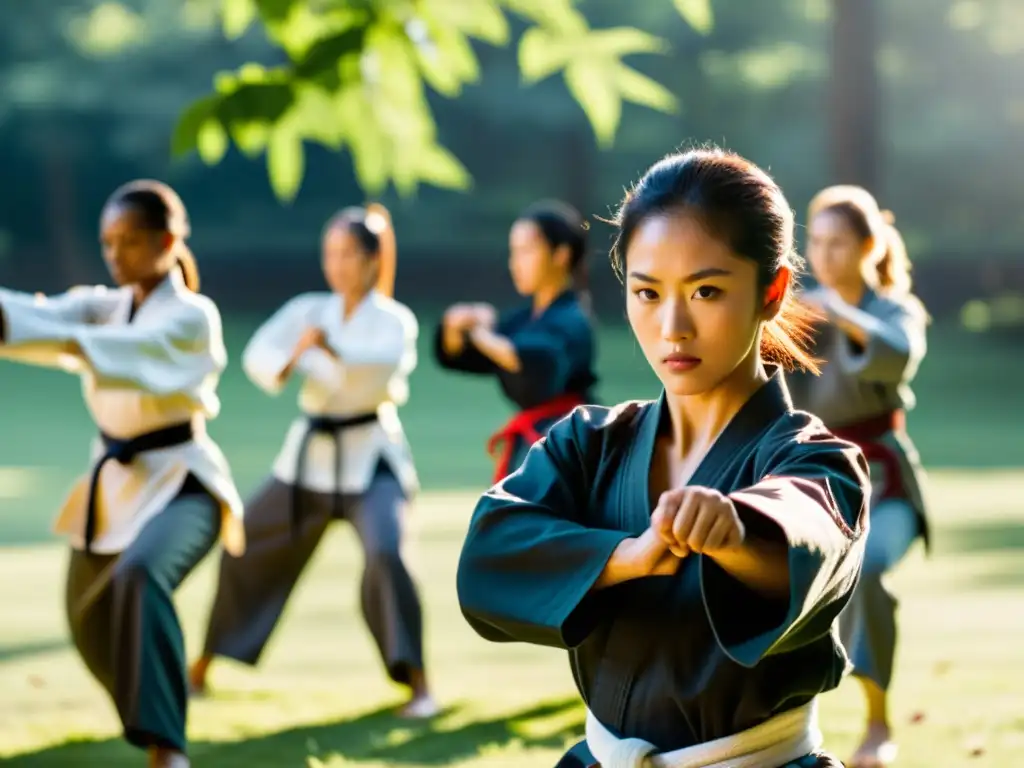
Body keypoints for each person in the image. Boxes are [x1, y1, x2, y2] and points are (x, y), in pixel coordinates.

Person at [456, 149, 871, 768]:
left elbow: (806, 535)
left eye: (706, 290)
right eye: (648, 292)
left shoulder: (818, 461)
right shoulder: (588, 442)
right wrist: (623, 558)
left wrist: (734, 533)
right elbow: (489, 554)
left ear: (772, 291)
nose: (673, 326)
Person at [0, 180, 243, 768]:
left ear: (166, 241)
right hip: (115, 485)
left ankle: (168, 746)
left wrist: (70, 337)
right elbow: (38, 314)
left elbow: (122, 351)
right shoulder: (108, 304)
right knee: (86, 616)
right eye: (109, 242)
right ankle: (143, 708)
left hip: (185, 483)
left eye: (130, 241)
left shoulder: (191, 317)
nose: (116, 255)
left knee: (140, 576)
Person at [188, 204, 437, 718]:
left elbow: (375, 371)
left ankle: (419, 684)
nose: (338, 264)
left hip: (372, 461)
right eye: (331, 253)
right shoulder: (309, 308)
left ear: (372, 261)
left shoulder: (393, 321)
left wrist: (321, 351)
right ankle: (203, 664)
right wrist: (301, 354)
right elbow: (261, 354)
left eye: (349, 253)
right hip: (308, 463)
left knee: (387, 554)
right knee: (245, 543)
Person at [788, 185, 930, 768]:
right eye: (816, 242)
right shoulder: (795, 314)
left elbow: (898, 352)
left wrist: (838, 311)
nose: (824, 255)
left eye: (839, 243)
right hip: (814, 482)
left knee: (869, 567)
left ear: (869, 246)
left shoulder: (894, 309)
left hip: (886, 483)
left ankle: (876, 721)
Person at [434, 200, 597, 482]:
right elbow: (462, 353)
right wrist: (455, 322)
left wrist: (477, 330)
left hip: (567, 444)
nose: (515, 263)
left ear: (560, 254)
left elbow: (530, 359)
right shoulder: (523, 320)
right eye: (514, 252)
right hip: (535, 443)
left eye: (527, 251)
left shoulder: (573, 318)